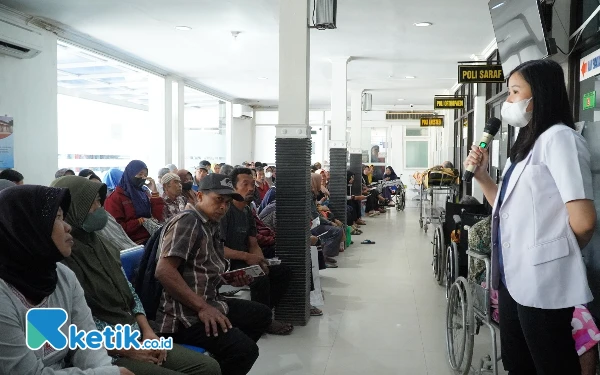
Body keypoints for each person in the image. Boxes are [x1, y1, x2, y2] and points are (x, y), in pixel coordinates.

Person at [464, 59, 596, 375]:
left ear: (538, 95)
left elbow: (584, 220)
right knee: (518, 364)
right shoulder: (525, 148)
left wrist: (553, 259)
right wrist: (482, 176)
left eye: (514, 91)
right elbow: (506, 209)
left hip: (543, 280)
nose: (508, 101)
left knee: (552, 364)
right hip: (513, 277)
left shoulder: (560, 139)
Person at [51, 176, 221, 375]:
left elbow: (128, 290)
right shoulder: (61, 260)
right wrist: (126, 349)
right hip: (104, 349)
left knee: (208, 368)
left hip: (134, 332)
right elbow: (75, 326)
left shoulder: (102, 244)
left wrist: (147, 331)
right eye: (95, 203)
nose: (101, 208)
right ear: (75, 207)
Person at [0, 185, 131, 375]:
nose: (68, 226)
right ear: (26, 226)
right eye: (58, 218)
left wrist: (107, 370)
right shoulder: (4, 294)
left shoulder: (61, 275)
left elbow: (87, 341)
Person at [155, 173, 272, 375]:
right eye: (219, 200)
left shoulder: (210, 224)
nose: (223, 207)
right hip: (184, 315)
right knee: (245, 350)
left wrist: (231, 278)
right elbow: (164, 271)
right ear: (199, 196)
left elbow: (203, 269)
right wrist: (203, 308)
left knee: (260, 315)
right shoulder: (187, 222)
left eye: (227, 203)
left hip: (209, 300)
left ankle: (222, 360)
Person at [222, 168, 294, 336]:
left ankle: (263, 314)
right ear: (233, 188)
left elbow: (253, 243)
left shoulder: (247, 211)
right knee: (259, 278)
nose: (250, 188)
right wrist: (248, 257)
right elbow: (219, 249)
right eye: (244, 184)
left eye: (252, 184)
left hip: (243, 258)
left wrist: (260, 261)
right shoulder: (225, 211)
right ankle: (263, 321)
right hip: (226, 262)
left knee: (283, 271)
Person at [105, 160, 165, 244]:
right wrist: (139, 221)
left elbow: (158, 217)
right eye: (140, 174)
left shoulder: (143, 194)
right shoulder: (116, 198)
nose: (143, 178)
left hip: (151, 237)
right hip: (132, 243)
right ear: (130, 174)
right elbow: (116, 229)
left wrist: (154, 192)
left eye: (145, 175)